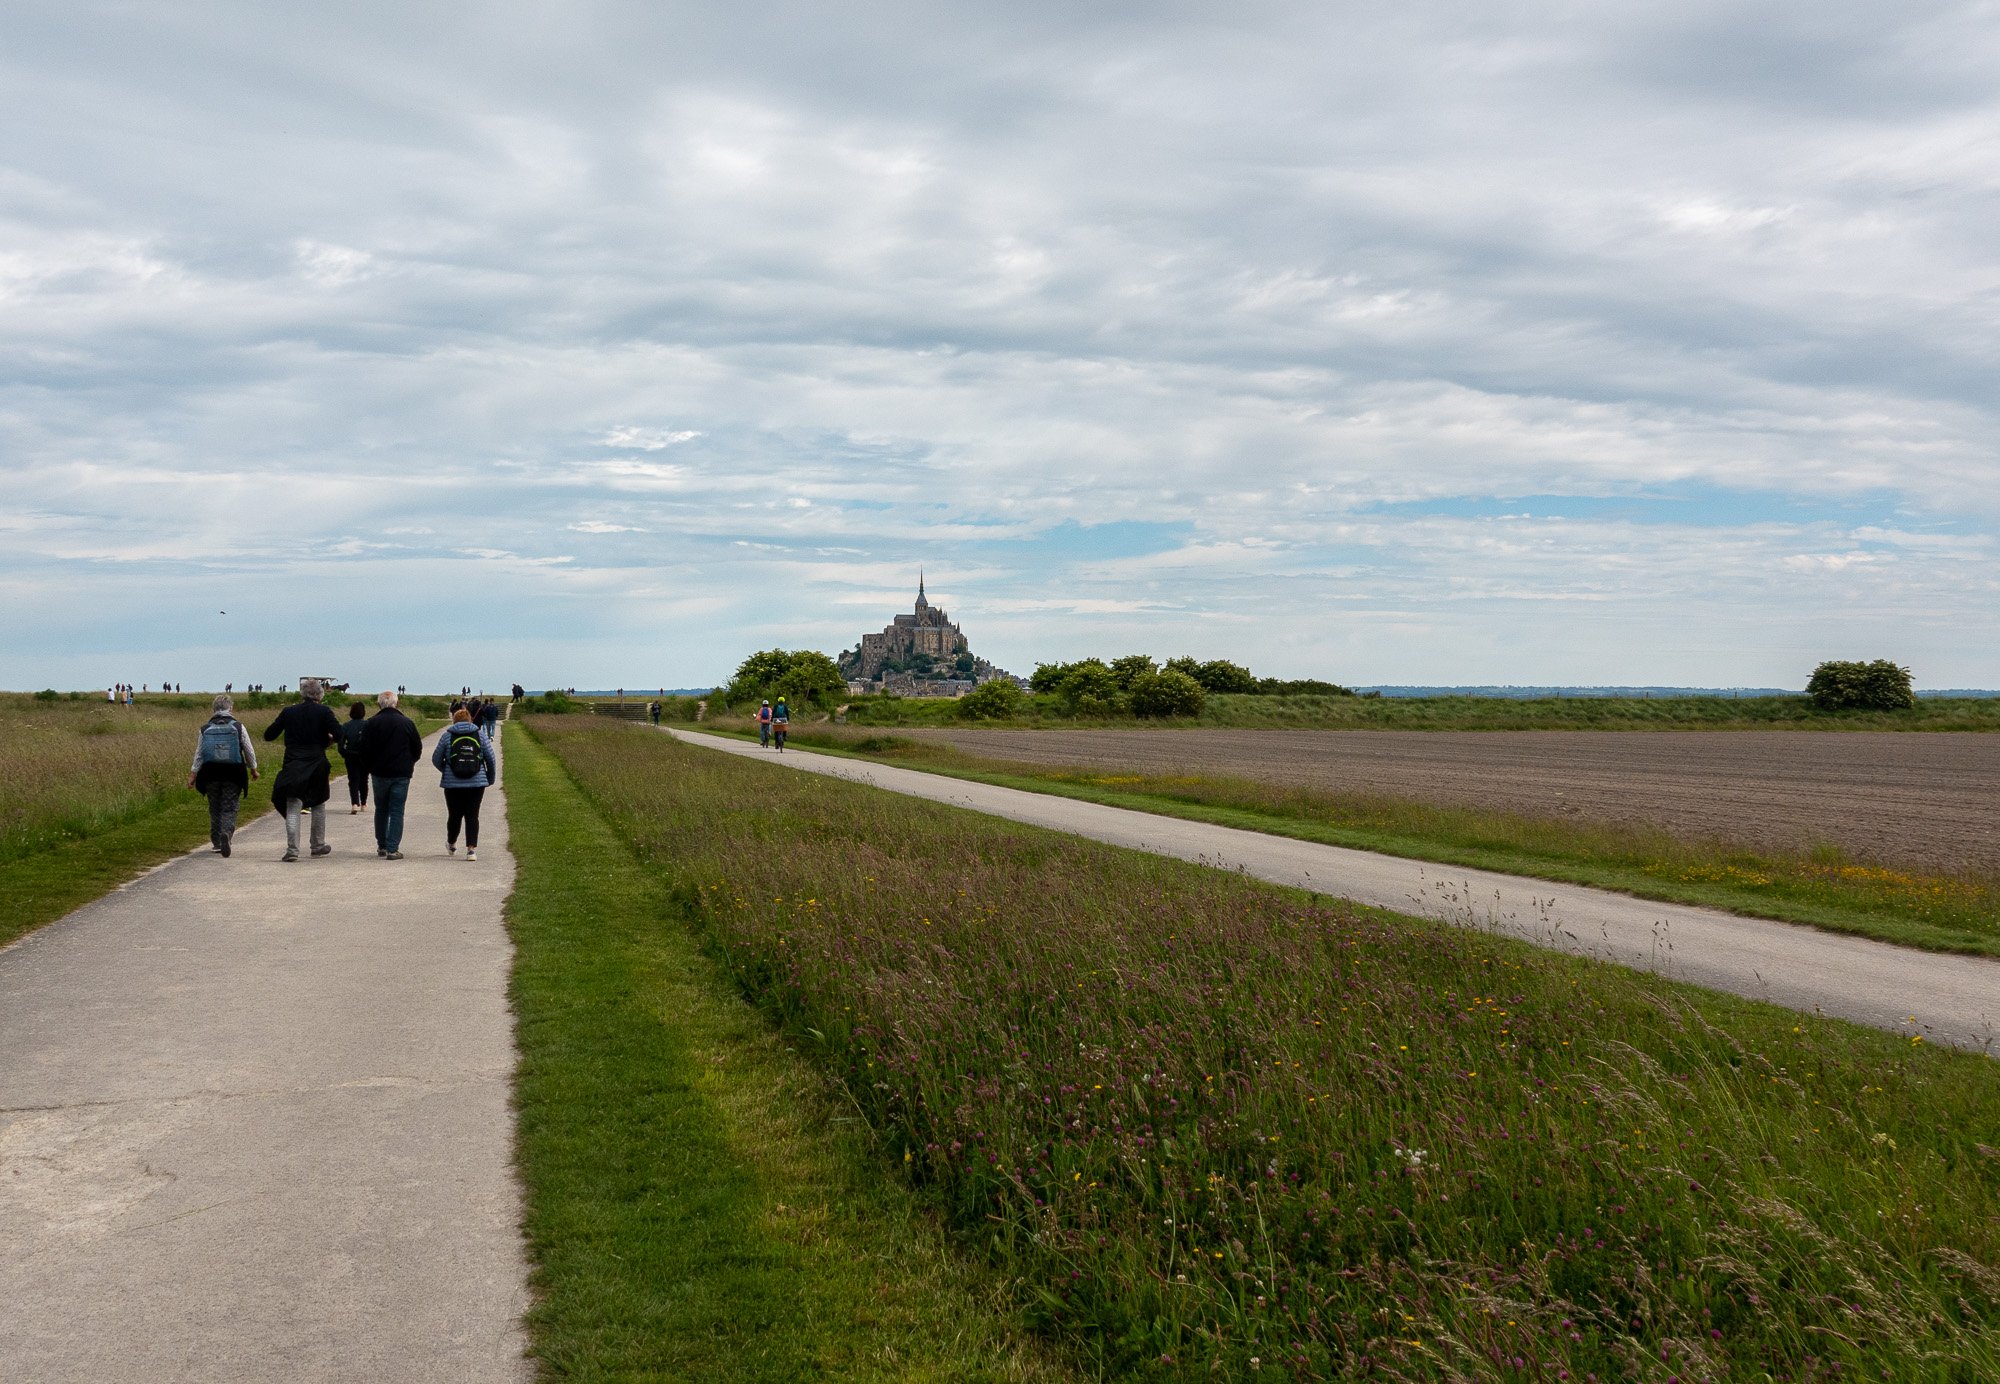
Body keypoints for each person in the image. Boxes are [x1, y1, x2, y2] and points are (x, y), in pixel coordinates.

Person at [263, 678, 340, 861]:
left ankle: (292, 850)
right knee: (319, 803)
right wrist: (327, 740)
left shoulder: (289, 712)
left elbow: (269, 735)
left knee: (293, 804)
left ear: (302, 693)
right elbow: (339, 733)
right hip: (317, 760)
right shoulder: (324, 711)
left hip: (293, 762)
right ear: (320, 695)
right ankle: (317, 845)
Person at [186, 694, 259, 857]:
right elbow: (248, 750)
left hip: (210, 772)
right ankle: (226, 833)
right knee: (230, 806)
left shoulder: (205, 729)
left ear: (214, 709)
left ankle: (217, 842)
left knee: (214, 807)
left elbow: (199, 754)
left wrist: (193, 775)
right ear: (230, 708)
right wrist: (253, 769)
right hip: (233, 773)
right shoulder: (239, 727)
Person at [360, 690, 423, 859]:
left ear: (379, 704)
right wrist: (410, 762)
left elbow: (363, 749)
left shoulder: (371, 723)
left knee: (381, 809)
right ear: (397, 703)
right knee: (396, 810)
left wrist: (370, 766)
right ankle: (393, 848)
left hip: (379, 772)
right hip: (401, 773)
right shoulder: (406, 722)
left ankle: (382, 845)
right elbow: (417, 748)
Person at [431, 706, 497, 861]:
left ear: (454, 720)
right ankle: (471, 850)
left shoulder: (447, 736)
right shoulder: (480, 734)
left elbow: (436, 759)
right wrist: (489, 777)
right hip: (476, 782)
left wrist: (447, 770)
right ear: (470, 719)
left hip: (452, 784)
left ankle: (452, 844)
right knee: (472, 815)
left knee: (454, 815)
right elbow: (491, 758)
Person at [339, 701, 371, 813]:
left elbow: (341, 744)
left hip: (351, 756)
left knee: (353, 780)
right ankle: (364, 803)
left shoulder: (346, 726)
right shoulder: (368, 725)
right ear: (363, 712)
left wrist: (345, 754)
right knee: (364, 780)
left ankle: (354, 803)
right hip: (364, 756)